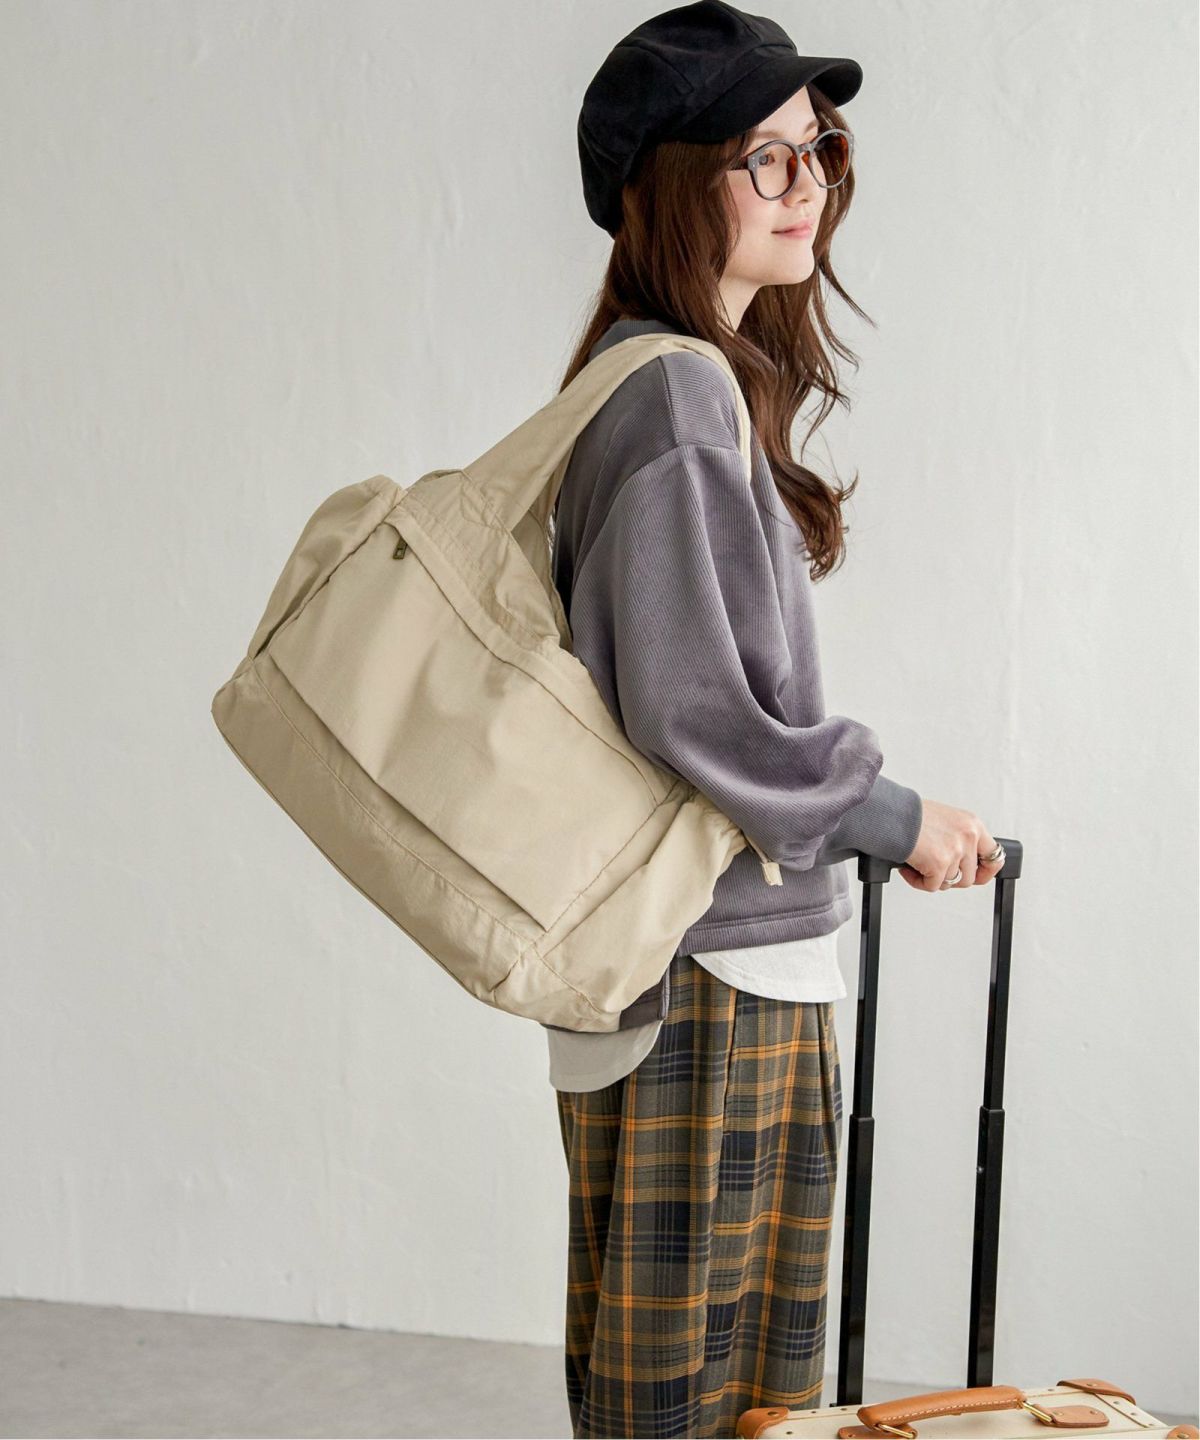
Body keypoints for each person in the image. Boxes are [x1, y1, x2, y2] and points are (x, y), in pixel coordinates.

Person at [548, 4, 1005, 1437]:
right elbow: (699, 716)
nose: (806, 184)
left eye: (818, 149)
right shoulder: (678, 396)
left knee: (697, 1399)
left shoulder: (661, 380)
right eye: (765, 156)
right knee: (718, 1409)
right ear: (674, 184)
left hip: (692, 978)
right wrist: (894, 817)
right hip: (717, 984)